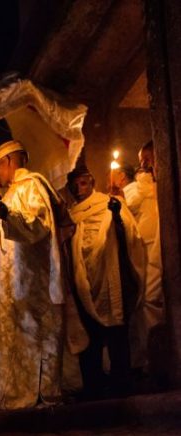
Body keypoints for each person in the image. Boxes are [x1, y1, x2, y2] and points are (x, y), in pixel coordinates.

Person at [0, 140, 65, 409]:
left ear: (8, 161)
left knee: (35, 334)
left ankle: (40, 394)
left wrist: (9, 216)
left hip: (30, 281)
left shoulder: (32, 186)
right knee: (17, 340)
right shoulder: (8, 195)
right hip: (12, 287)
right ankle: (17, 396)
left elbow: (37, 225)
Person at [67, 166, 146, 398]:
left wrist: (116, 218)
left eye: (82, 183)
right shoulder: (73, 214)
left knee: (116, 332)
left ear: (91, 182)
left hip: (111, 277)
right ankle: (94, 386)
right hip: (84, 283)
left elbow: (131, 238)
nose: (78, 189)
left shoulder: (108, 204)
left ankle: (122, 383)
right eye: (74, 185)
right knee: (89, 336)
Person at [123, 140, 164, 368]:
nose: (144, 165)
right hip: (148, 253)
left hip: (161, 248)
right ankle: (152, 358)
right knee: (148, 301)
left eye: (147, 160)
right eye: (141, 162)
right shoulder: (140, 187)